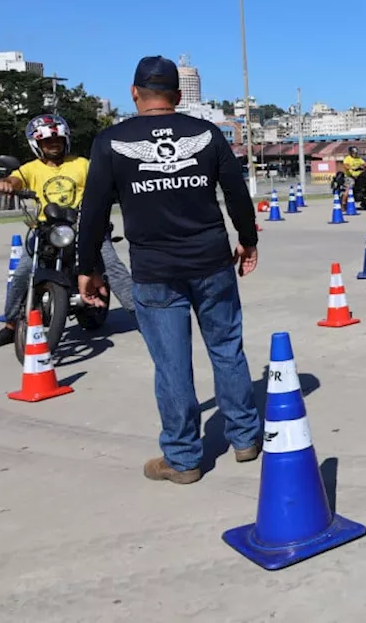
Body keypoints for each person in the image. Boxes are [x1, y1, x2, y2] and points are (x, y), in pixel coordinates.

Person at [76, 56, 263, 485]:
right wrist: (248, 239)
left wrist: (88, 268)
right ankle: (245, 438)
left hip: (155, 270)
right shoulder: (205, 133)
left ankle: (182, 458)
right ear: (178, 97)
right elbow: (235, 191)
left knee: (172, 363)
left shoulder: (110, 140)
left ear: (134, 92)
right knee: (227, 348)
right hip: (212, 262)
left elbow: (94, 210)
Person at [0, 113, 135, 349]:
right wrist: (6, 184)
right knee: (22, 273)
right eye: (46, 141)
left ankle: (141, 313)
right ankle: (11, 325)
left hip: (85, 225)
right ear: (36, 144)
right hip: (45, 228)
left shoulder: (82, 164)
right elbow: (14, 180)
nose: (53, 144)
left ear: (66, 140)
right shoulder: (30, 169)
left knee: (112, 264)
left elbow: (104, 179)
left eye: (58, 140)